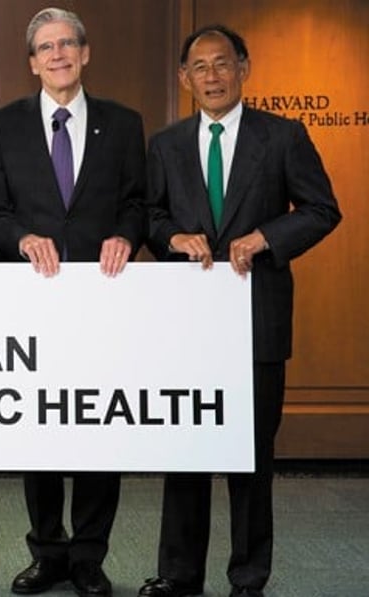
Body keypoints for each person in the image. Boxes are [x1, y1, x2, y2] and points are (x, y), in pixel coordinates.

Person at [138, 25, 341, 597]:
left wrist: (267, 238)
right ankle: (179, 575)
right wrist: (174, 237)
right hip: (189, 328)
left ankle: (249, 577)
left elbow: (323, 209)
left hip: (258, 323)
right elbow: (149, 217)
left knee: (251, 459)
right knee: (187, 453)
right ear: (185, 79)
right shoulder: (166, 144)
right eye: (199, 67)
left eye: (222, 63)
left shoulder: (282, 136)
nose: (212, 76)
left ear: (243, 68)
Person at [0, 7, 146, 597]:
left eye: (67, 44)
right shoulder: (1, 125)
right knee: (43, 430)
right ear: (32, 62)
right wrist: (21, 238)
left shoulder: (124, 124)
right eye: (46, 48)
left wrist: (128, 234)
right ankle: (47, 550)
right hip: (35, 301)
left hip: (103, 301)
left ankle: (89, 557)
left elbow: (136, 202)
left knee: (100, 428)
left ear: (85, 52)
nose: (58, 55)